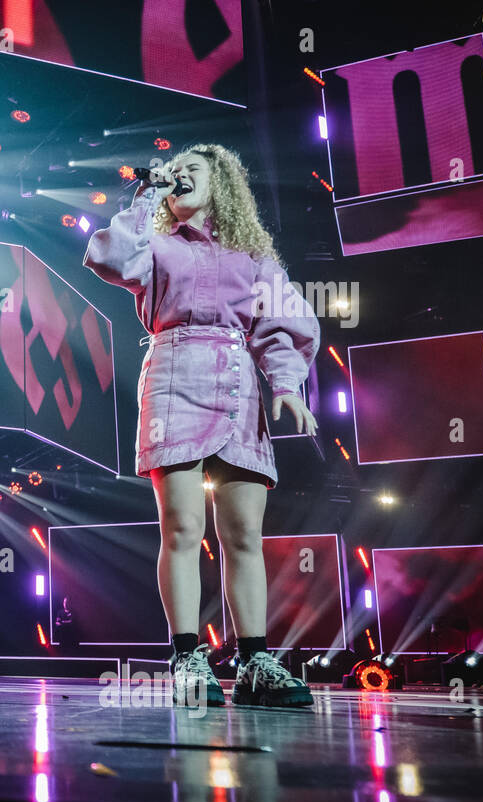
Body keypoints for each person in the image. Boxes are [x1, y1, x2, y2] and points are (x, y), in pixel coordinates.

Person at [83, 144, 319, 708]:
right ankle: (187, 656)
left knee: (243, 534)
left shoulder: (255, 256)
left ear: (222, 185)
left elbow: (280, 322)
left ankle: (254, 659)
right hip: (172, 373)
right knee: (183, 528)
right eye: (175, 171)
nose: (180, 177)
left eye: (193, 171)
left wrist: (287, 386)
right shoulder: (155, 245)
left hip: (236, 382)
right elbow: (109, 258)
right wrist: (147, 196)